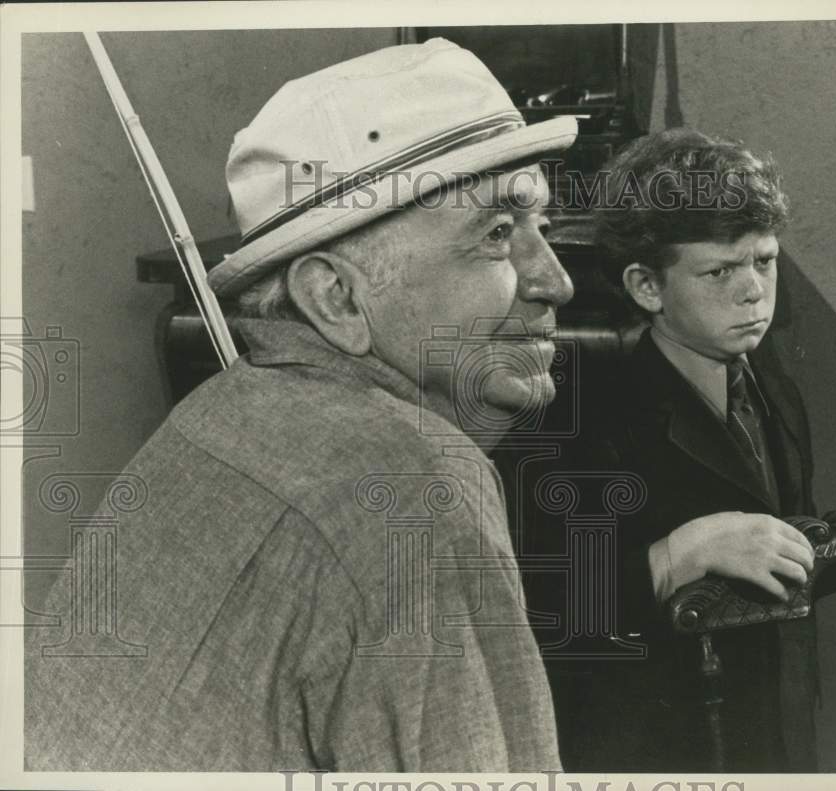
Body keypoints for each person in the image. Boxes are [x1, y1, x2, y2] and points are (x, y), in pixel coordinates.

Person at [25, 38, 577, 772]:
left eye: (543, 227)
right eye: (498, 234)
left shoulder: (211, 416)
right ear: (335, 297)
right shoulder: (413, 485)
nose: (556, 281)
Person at [544, 128, 836, 772]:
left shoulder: (771, 386)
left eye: (765, 261)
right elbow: (546, 609)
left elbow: (790, 557)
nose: (753, 290)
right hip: (665, 751)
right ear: (646, 286)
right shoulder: (584, 412)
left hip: (779, 732)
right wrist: (674, 556)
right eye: (720, 270)